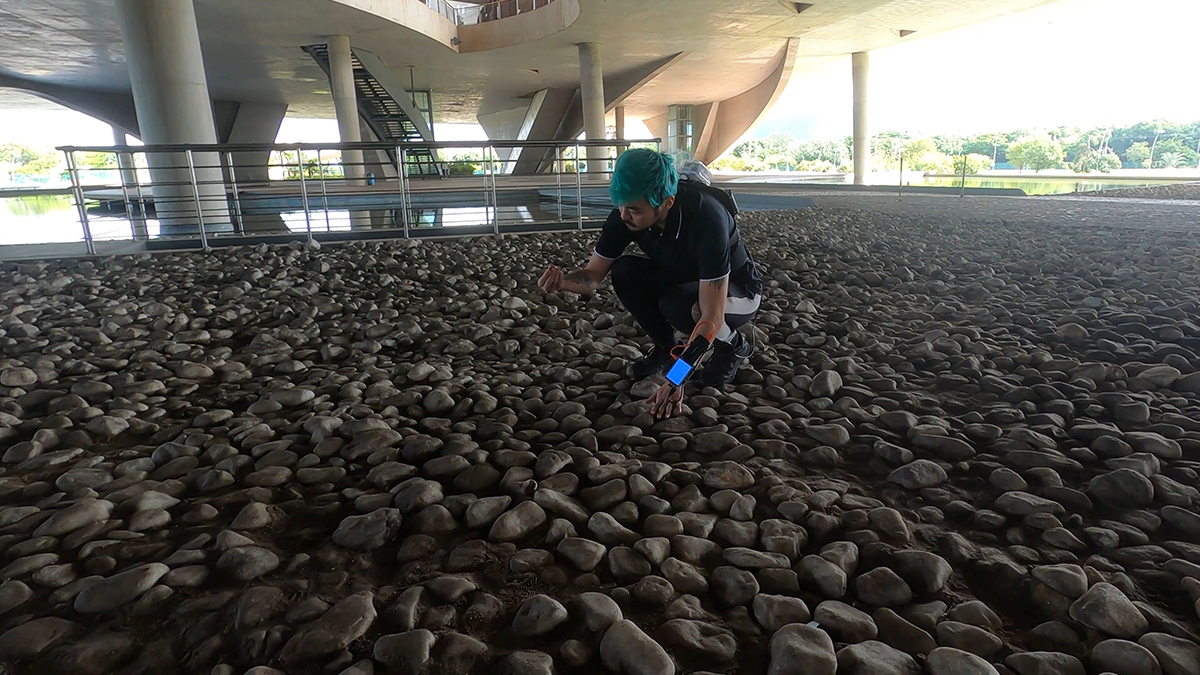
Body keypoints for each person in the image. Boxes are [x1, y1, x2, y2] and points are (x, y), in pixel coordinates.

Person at [537, 149, 763, 418]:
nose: (623, 215)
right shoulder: (626, 215)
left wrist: (676, 379)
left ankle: (736, 345)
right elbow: (592, 277)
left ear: (666, 203)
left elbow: (710, 317)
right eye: (620, 205)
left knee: (684, 307)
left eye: (633, 209)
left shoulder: (707, 219)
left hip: (739, 293)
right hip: (686, 280)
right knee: (624, 271)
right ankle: (667, 350)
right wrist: (564, 282)